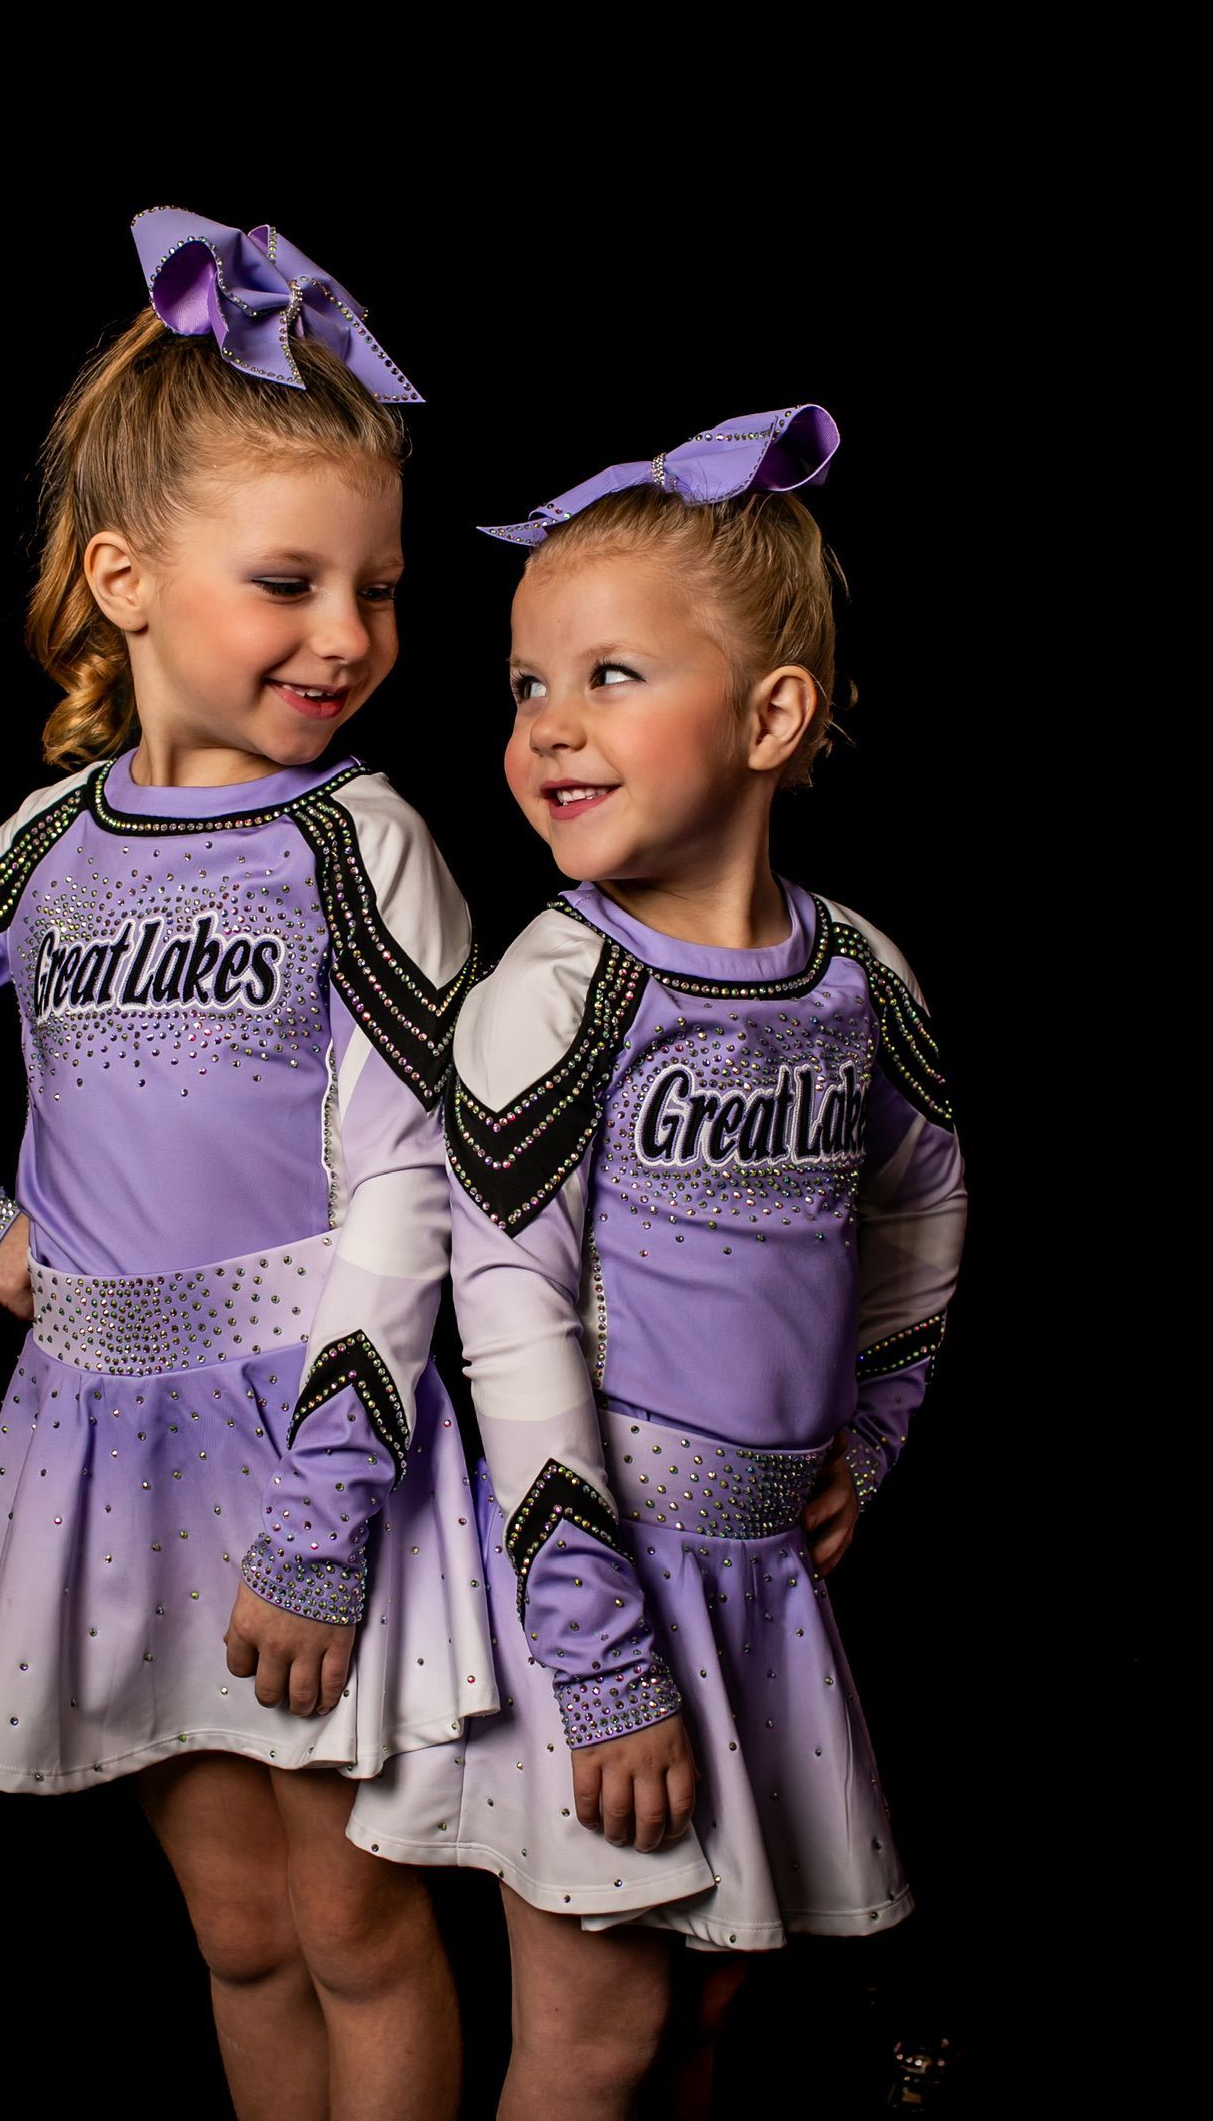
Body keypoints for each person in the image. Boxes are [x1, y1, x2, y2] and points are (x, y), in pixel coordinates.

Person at [0, 209, 495, 2121]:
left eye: (376, 589)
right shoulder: (51, 840)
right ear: (125, 579)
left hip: (312, 1429)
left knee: (363, 1926)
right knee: (237, 1930)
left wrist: (323, 1513)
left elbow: (414, 1184)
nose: (347, 636)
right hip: (108, 1425)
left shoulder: (364, 841)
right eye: (287, 582)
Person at [347, 406, 967, 2118]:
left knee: (706, 2024)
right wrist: (599, 1649)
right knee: (598, 2037)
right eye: (527, 687)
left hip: (764, 1585)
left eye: (608, 676)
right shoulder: (556, 994)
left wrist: (876, 1428)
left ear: (769, 716)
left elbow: (918, 1203)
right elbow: (509, 1321)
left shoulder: (857, 977)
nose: (546, 728)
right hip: (594, 1580)